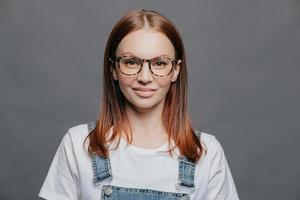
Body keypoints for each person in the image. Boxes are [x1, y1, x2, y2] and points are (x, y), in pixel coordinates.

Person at [38, 9, 239, 200]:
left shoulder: (205, 152)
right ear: (113, 69)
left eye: (160, 63)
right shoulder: (79, 144)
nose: (145, 77)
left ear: (175, 70)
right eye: (131, 62)